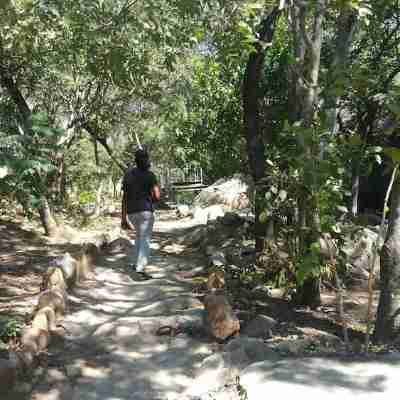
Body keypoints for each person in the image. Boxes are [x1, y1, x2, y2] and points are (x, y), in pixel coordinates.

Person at [121, 147, 160, 280]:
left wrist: (123, 218)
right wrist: (152, 200)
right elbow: (157, 195)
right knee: (145, 239)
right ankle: (140, 269)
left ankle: (134, 263)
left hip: (131, 213)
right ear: (146, 160)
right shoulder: (150, 175)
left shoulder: (128, 175)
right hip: (145, 211)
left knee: (138, 237)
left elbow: (124, 197)